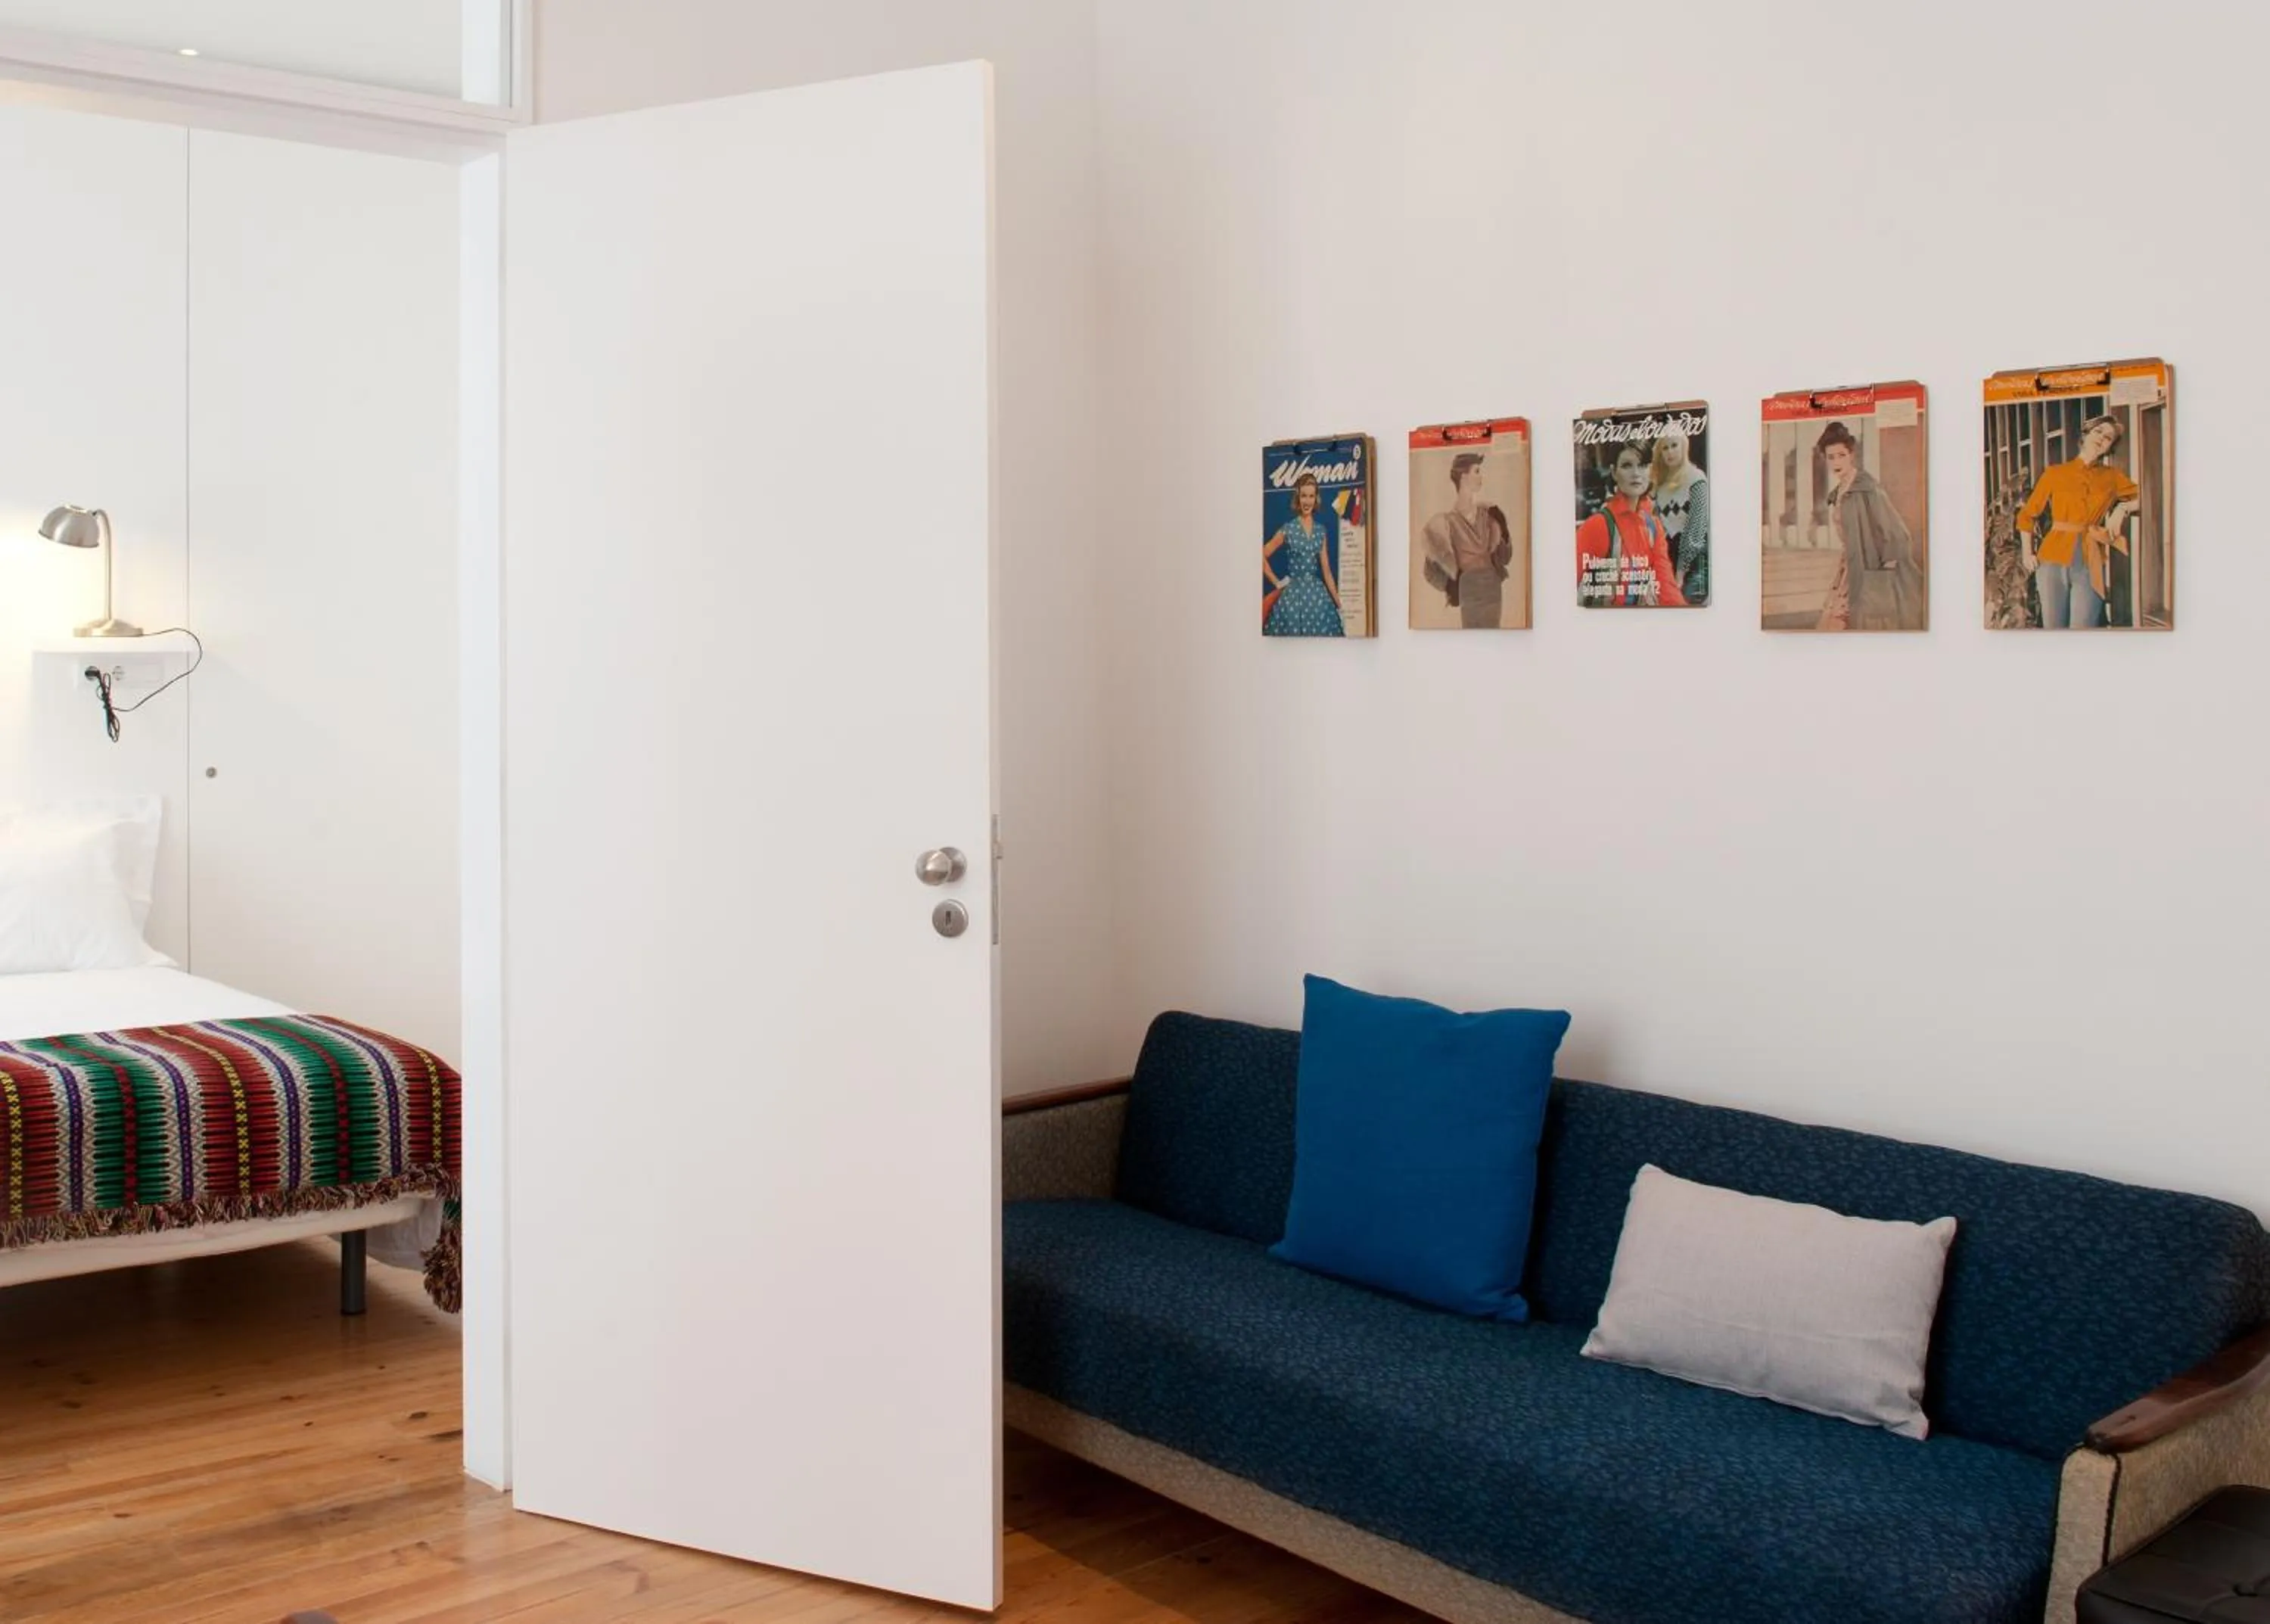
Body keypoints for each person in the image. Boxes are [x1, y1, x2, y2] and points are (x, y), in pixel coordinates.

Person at [2012, 413, 2140, 629]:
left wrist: (2123, 508)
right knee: (2055, 629)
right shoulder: (2055, 473)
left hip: (2089, 561)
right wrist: (2027, 552)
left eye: (2108, 437)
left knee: (2084, 628)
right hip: (2051, 559)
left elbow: (2145, 496)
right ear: (2086, 435)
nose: (2102, 438)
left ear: (2110, 448)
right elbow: (2027, 514)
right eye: (2098, 431)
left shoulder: (2113, 477)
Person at [1811, 421, 1924, 631]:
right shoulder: (1840, 492)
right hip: (1848, 569)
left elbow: (1896, 532)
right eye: (1831, 457)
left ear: (1851, 455)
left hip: (1871, 569)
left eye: (1842, 455)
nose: (1837, 462)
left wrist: (1882, 578)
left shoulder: (1866, 488)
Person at [1577, 441, 1684, 607]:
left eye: (1642, 465)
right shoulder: (1598, 525)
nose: (1636, 474)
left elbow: (1667, 587)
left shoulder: (1653, 526)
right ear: (1614, 472)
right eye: (1627, 466)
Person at [1418, 451, 1515, 628]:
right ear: (1463, 476)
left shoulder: (1489, 515)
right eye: (1476, 471)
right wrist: (1450, 586)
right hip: (1469, 590)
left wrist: (1504, 530)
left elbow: (1505, 558)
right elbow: (1429, 571)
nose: (1481, 477)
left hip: (1492, 587)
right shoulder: (1445, 523)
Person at [1263, 473, 1345, 636]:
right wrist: (1277, 582)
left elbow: (1327, 572)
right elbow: (1261, 555)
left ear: (1316, 498)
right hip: (1292, 597)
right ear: (1298, 498)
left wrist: (1340, 605)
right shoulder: (1289, 528)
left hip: (1317, 597)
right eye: (1304, 496)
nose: (1307, 501)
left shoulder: (1321, 531)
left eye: (1311, 496)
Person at [1650, 426, 1709, 605]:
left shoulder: (1697, 479)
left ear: (1684, 447)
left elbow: (1696, 530)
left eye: (1674, 445)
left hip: (1696, 561)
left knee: (1686, 606)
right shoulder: (1659, 487)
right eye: (1665, 448)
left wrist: (1680, 574)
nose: (1670, 452)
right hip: (1669, 560)